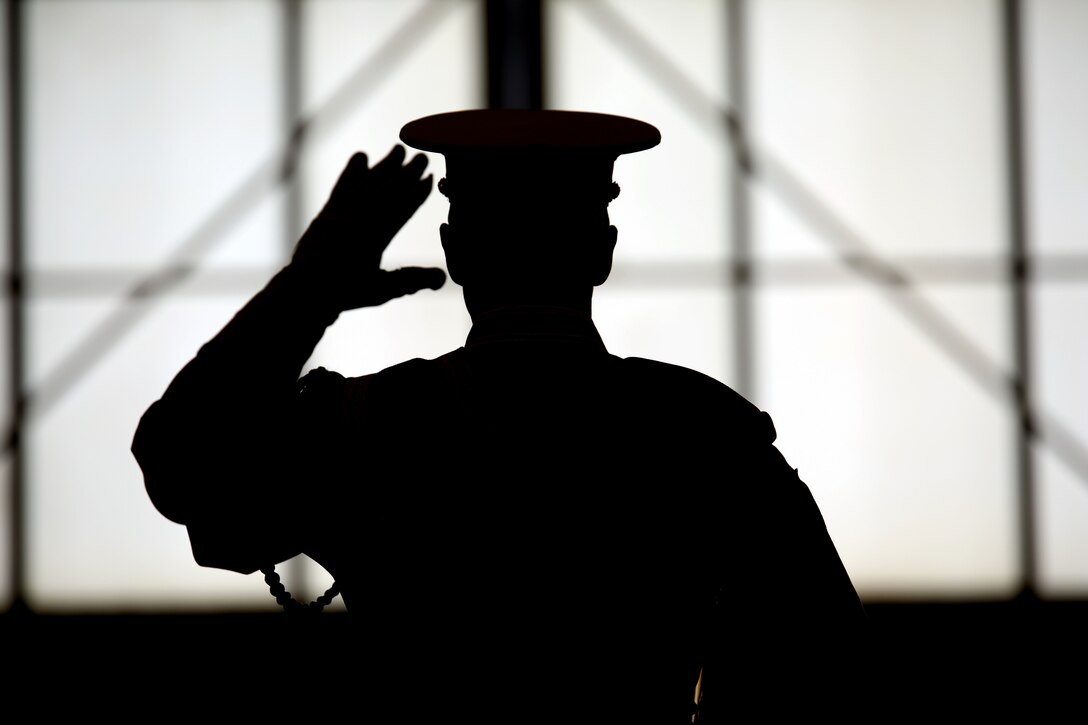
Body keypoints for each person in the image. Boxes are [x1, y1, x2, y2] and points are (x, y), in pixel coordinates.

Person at [132, 109, 869, 720]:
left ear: (455, 250)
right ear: (602, 248)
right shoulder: (706, 434)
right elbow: (830, 662)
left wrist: (310, 288)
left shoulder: (363, 427)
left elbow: (180, 463)